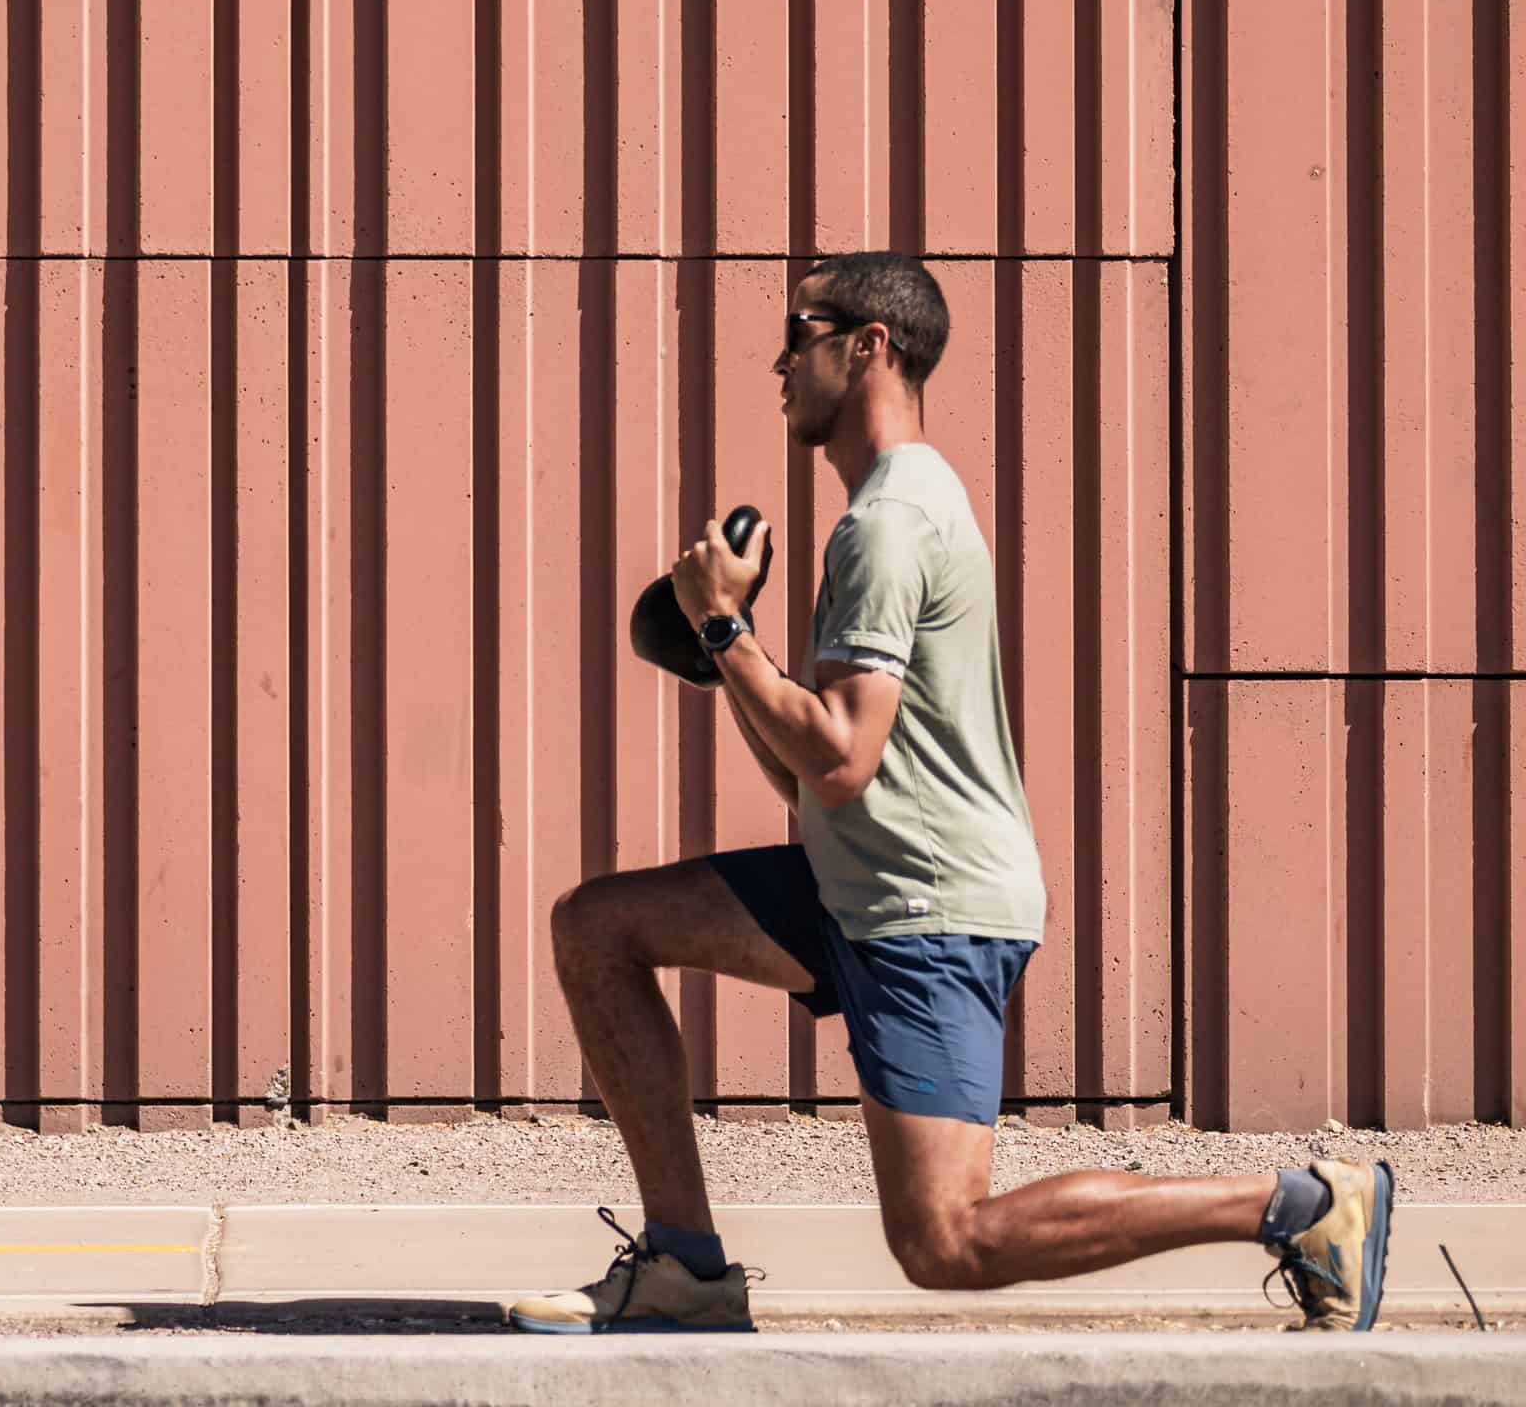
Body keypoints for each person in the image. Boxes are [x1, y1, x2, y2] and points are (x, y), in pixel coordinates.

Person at [503, 252, 1391, 1335]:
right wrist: (722, 650)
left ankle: (1301, 1206)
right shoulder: (885, 510)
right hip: (854, 882)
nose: (779, 359)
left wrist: (732, 634)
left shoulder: (885, 526)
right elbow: (807, 778)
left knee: (946, 1241)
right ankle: (684, 1265)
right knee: (599, 926)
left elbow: (836, 759)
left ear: (867, 345)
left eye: (802, 330)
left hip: (925, 909)